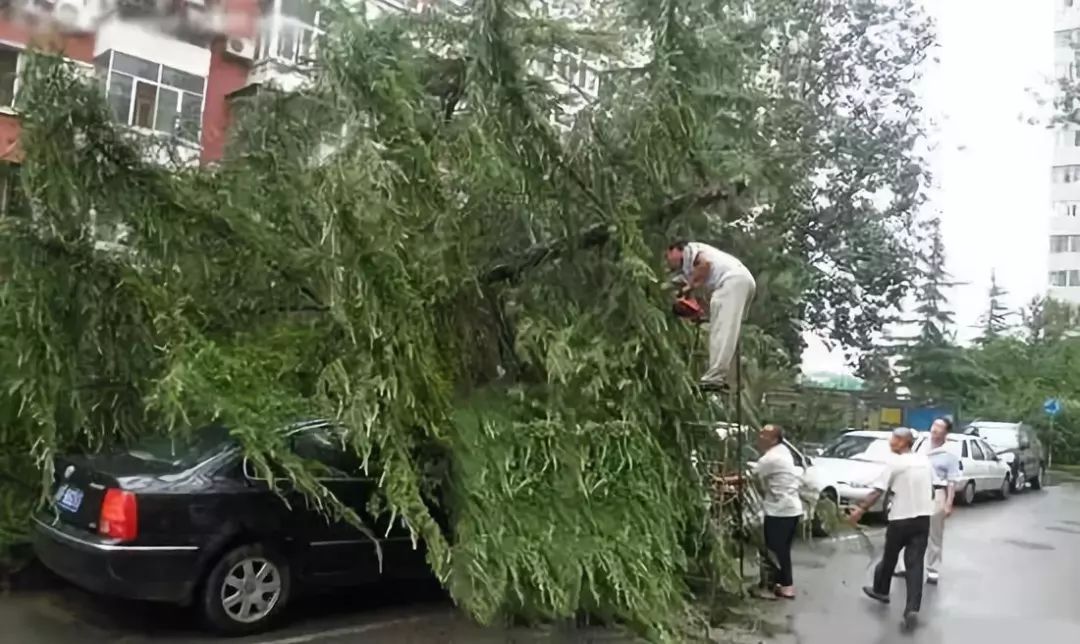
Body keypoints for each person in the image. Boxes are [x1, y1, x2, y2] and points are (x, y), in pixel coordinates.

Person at [849, 427, 934, 631]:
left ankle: (882, 590)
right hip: (923, 518)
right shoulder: (924, 461)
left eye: (895, 439)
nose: (891, 442)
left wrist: (860, 510)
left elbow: (878, 490)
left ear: (905, 442)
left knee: (890, 556)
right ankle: (912, 608)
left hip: (901, 518)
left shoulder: (895, 463)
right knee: (915, 565)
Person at [665, 241, 756, 388]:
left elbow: (705, 265)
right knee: (727, 330)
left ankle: (714, 378)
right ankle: (729, 378)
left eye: (667, 255)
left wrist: (689, 288)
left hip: (732, 280)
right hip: (739, 281)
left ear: (676, 249)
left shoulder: (691, 251)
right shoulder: (688, 269)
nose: (667, 260)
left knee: (722, 329)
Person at [895, 417, 959, 584]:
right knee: (907, 527)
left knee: (934, 533)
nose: (935, 430)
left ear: (946, 432)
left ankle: (932, 568)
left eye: (940, 428)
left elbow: (952, 481)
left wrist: (949, 503)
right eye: (934, 426)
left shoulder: (950, 454)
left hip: (936, 492)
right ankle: (903, 565)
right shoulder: (920, 443)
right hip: (914, 491)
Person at [754, 424, 803, 599]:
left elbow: (749, 475)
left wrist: (722, 480)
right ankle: (779, 583)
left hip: (780, 510)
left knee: (775, 550)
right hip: (790, 508)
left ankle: (785, 586)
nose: (760, 437)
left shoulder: (771, 458)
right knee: (781, 549)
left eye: (765, 435)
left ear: (774, 440)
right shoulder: (782, 451)